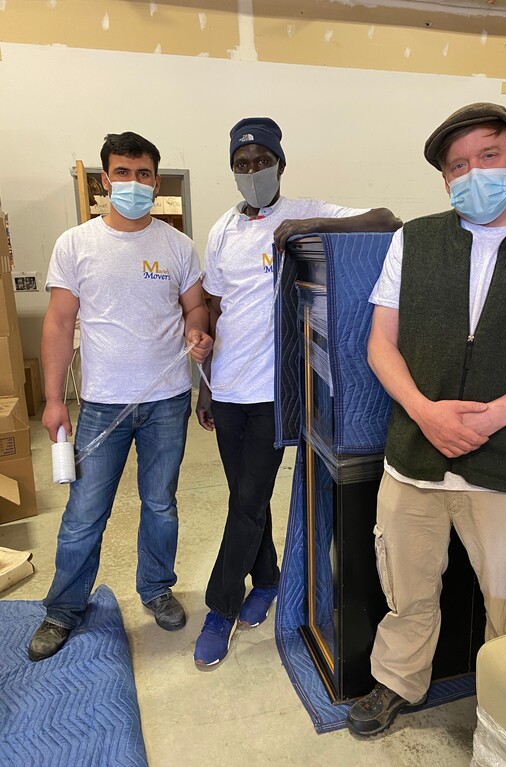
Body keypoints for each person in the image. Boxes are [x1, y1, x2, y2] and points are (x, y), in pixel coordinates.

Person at [347, 103, 506, 736]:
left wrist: (497, 417)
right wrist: (425, 412)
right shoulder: (415, 239)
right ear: (444, 180)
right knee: (405, 586)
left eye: (487, 156)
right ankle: (396, 682)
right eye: (457, 165)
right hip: (415, 457)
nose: (473, 173)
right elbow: (381, 343)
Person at [193, 117, 402, 668]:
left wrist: (307, 223)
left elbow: (386, 220)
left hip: (273, 390)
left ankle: (221, 607)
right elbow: (215, 309)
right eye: (242, 164)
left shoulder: (304, 210)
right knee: (247, 494)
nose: (252, 172)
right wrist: (205, 385)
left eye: (262, 161)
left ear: (280, 163)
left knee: (245, 501)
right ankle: (266, 580)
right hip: (228, 384)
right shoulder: (221, 231)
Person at [28, 131, 212, 662]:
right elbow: (59, 324)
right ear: (105, 181)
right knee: (86, 512)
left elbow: (194, 310)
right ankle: (63, 608)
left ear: (156, 180)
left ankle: (156, 588)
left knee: (161, 504)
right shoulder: (76, 244)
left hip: (167, 402)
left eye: (144, 174)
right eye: (122, 174)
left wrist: (198, 333)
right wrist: (53, 399)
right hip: (102, 403)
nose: (133, 183)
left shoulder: (177, 247)